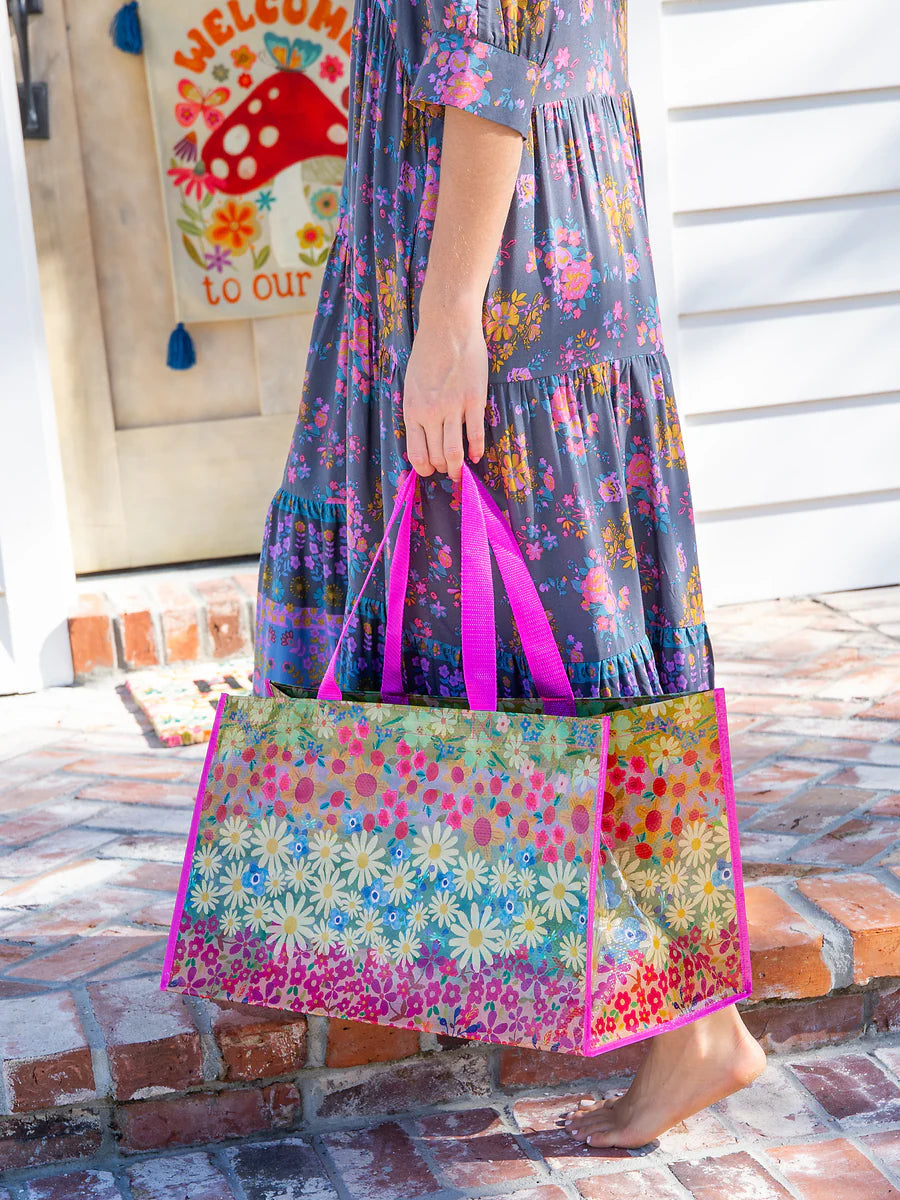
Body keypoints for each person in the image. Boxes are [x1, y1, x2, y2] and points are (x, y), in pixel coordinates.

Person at [253, 0, 766, 1146]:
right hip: (507, 255)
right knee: (566, 635)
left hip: (495, 279)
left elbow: (489, 74)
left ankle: (691, 1024)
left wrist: (445, 323)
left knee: (566, 649)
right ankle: (654, 1001)